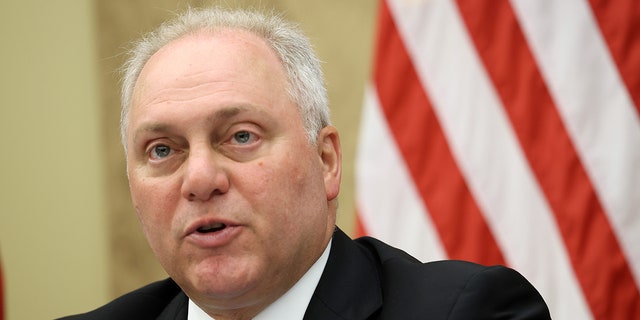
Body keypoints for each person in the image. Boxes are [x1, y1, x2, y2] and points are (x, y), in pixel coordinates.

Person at [60, 7, 551, 320]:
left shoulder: (467, 313)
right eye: (163, 150)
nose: (201, 179)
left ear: (326, 160)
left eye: (241, 136)